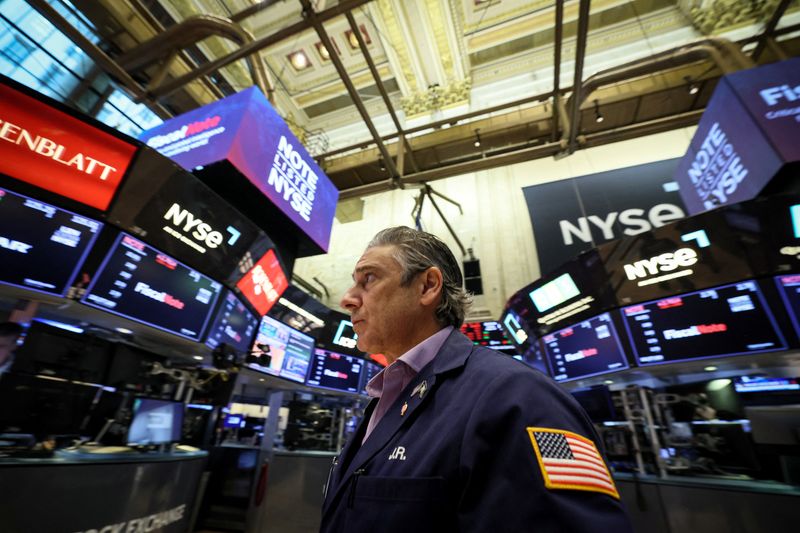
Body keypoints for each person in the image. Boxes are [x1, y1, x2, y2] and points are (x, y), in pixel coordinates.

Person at [320, 226, 632, 533]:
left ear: (427, 286)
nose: (347, 299)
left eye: (369, 279)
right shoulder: (386, 396)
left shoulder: (520, 397)